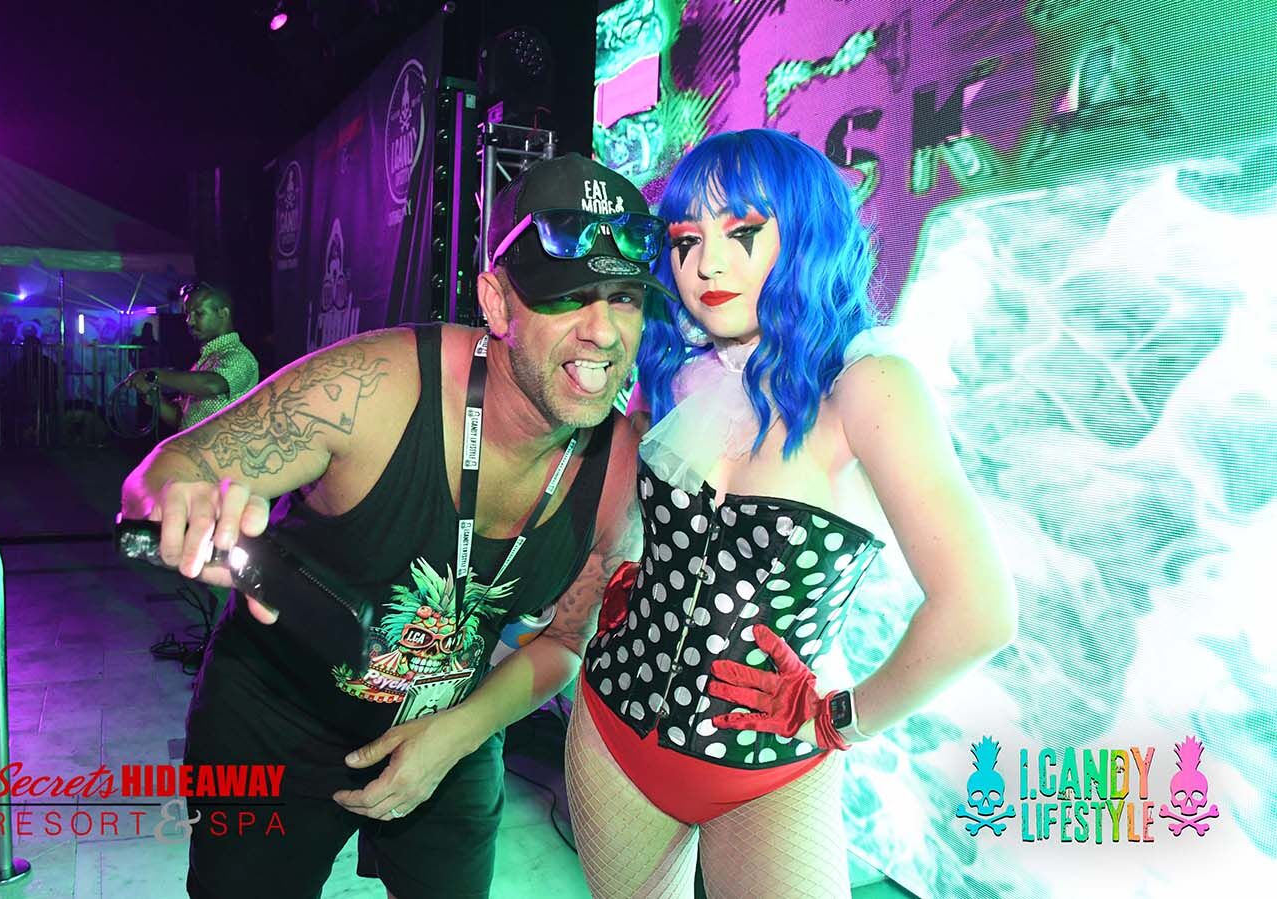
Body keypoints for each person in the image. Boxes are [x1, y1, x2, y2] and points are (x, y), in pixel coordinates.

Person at [119, 152, 669, 898]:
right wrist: (177, 501)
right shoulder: (376, 389)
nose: (602, 331)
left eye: (624, 296)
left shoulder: (619, 471)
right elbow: (171, 469)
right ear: (497, 303)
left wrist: (458, 735)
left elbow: (565, 641)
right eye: (567, 296)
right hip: (275, 720)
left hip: (453, 723)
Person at [563, 128, 1018, 898]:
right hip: (612, 729)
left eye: (740, 232)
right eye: (687, 240)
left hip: (771, 772)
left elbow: (980, 612)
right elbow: (650, 507)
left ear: (806, 232)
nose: (705, 264)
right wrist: (626, 570)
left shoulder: (868, 387)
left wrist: (844, 716)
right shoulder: (678, 368)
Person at [129, 282, 259, 432]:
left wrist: (154, 375)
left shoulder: (240, 356)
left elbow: (212, 385)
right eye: (188, 314)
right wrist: (157, 400)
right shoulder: (204, 362)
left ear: (223, 313)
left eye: (199, 313)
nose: (189, 321)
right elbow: (181, 419)